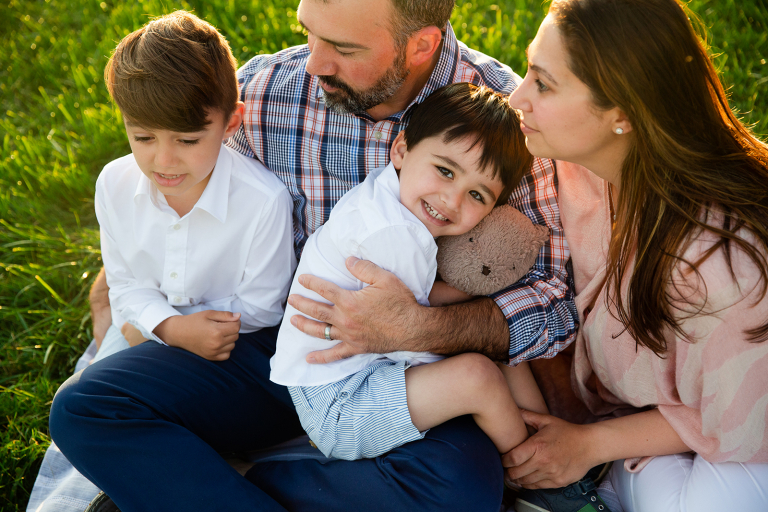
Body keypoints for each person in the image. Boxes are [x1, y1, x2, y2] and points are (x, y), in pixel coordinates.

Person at [47, 0, 579, 510]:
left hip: (405, 369)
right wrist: (127, 292)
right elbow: (174, 182)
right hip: (267, 346)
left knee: (459, 492)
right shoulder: (266, 91)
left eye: (343, 47)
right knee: (84, 409)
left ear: (420, 45)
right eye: (309, 31)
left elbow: (554, 295)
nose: (314, 61)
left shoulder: (507, 125)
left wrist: (418, 329)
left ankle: (214, 484)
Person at [501, 1, 768, 511]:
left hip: (748, 426)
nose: (517, 97)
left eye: (543, 83)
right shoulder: (575, 167)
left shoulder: (721, 265)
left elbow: (739, 422)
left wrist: (588, 446)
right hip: (657, 417)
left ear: (621, 114)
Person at [271, 82, 549, 461]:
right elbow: (413, 330)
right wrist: (471, 295)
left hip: (355, 375)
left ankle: (545, 432)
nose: (451, 201)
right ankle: (533, 471)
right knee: (477, 375)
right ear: (401, 150)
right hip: (341, 402)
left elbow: (412, 308)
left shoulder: (384, 196)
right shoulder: (396, 234)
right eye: (445, 171)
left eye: (477, 195)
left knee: (501, 351)